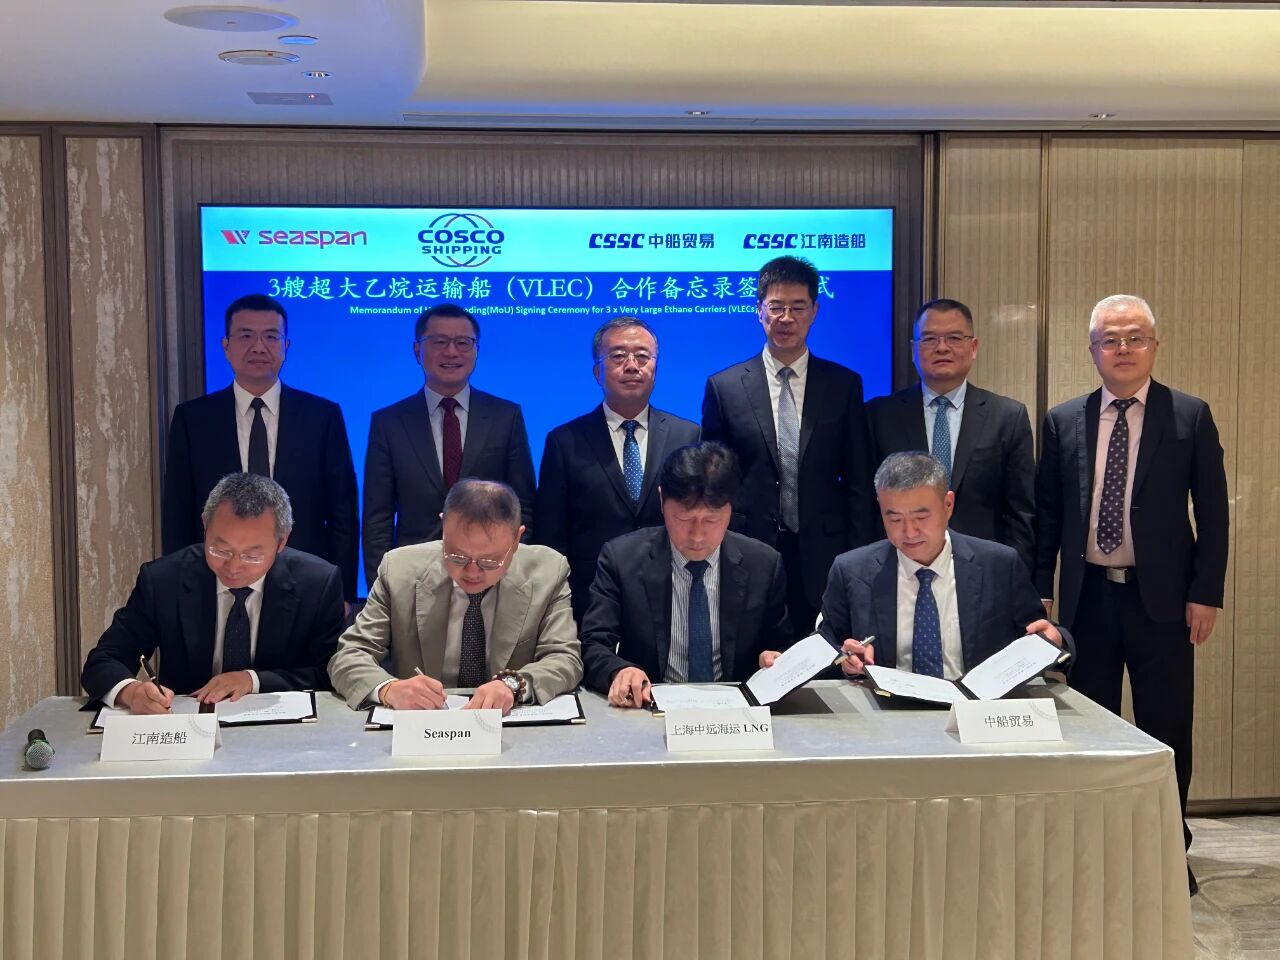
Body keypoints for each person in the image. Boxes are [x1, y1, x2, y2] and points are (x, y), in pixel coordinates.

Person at [1035, 294, 1228, 893]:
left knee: (1166, 728)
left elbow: (1213, 512)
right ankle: (1097, 849)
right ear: (1092, 350)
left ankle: (1167, 849)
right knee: (1090, 730)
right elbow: (1048, 515)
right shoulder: (1064, 419)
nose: (1123, 349)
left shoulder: (1189, 415)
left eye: (1134, 337)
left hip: (1163, 603)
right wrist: (1041, 592)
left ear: (1154, 346)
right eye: (1110, 340)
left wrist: (1206, 592)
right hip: (1088, 601)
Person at [701, 255, 876, 637]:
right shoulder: (724, 387)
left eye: (798, 307)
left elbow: (859, 480)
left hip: (826, 550)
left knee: (824, 654)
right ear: (758, 310)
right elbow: (714, 483)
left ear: (814, 311)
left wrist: (861, 555)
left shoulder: (843, 384)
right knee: (754, 651)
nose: (786, 318)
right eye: (776, 306)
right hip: (749, 546)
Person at [83, 473, 345, 712]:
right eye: (220, 550)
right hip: (187, 728)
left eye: (252, 555)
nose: (234, 567)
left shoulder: (317, 584)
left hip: (282, 735)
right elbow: (104, 660)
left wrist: (251, 680)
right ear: (205, 525)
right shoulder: (163, 580)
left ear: (282, 541)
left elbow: (329, 674)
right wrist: (132, 693)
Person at [162, 293, 360, 601]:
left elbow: (343, 511)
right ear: (226, 346)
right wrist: (178, 587)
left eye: (270, 336)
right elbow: (177, 511)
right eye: (245, 336)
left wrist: (342, 592)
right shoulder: (193, 419)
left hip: (305, 580)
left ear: (286, 346)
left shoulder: (322, 416)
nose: (258, 347)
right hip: (216, 580)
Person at [329, 479, 581, 714]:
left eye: (490, 561)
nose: (472, 572)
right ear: (443, 528)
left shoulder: (547, 572)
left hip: (511, 727)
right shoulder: (399, 570)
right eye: (457, 556)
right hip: (423, 727)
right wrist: (389, 689)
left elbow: (564, 658)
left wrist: (513, 685)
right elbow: (349, 655)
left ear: (516, 540)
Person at [821, 452, 1070, 678]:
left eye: (921, 517)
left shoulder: (1000, 566)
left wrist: (1055, 640)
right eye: (894, 518)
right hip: (887, 707)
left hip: (976, 706)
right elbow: (825, 649)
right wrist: (844, 657)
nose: (909, 532)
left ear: (948, 505)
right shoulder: (851, 571)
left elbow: (1045, 636)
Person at [579, 442, 792, 707]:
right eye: (684, 519)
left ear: (730, 507)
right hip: (649, 708)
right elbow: (593, 644)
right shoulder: (621, 559)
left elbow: (781, 646)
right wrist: (619, 670)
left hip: (736, 713)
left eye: (711, 520)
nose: (697, 536)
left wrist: (775, 659)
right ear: (661, 500)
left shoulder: (763, 564)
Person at [535, 317, 700, 623]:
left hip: (671, 594)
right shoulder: (564, 441)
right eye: (619, 356)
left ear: (656, 368)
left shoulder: (687, 435)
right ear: (597, 372)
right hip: (591, 599)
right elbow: (551, 534)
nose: (632, 365)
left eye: (642, 356)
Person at [362, 304, 536, 586]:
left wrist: (512, 575)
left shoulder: (506, 417)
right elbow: (377, 518)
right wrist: (381, 587)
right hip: (414, 577)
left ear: (476, 351)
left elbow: (523, 506)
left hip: (491, 574)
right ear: (417, 351)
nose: (452, 352)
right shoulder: (389, 422)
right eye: (439, 342)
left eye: (463, 343)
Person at [867, 298, 1036, 573]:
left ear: (973, 347)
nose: (942, 347)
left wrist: (1015, 579)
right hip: (898, 567)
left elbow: (1022, 513)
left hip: (982, 571)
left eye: (954, 338)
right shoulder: (879, 415)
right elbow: (865, 505)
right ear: (913, 350)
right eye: (929, 339)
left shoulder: (1007, 416)